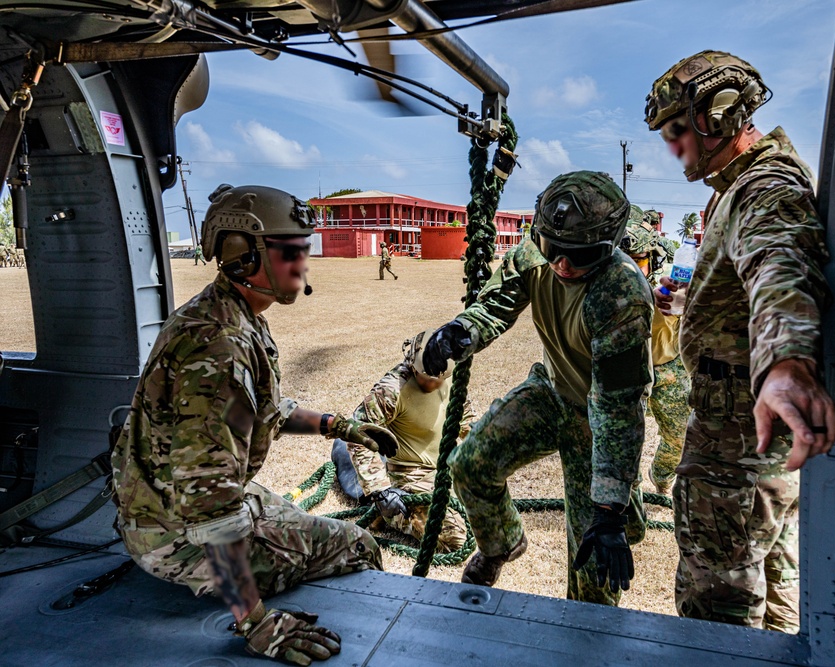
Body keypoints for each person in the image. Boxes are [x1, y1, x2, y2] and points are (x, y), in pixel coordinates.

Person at [111, 184, 400, 664]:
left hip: (167, 508)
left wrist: (339, 426)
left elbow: (263, 408)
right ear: (242, 256)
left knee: (306, 525)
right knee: (358, 546)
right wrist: (258, 625)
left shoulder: (230, 313)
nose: (304, 263)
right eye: (292, 251)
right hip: (178, 535)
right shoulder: (220, 346)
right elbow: (210, 503)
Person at [645, 51, 835, 632]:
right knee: (776, 597)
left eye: (677, 130)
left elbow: (780, 262)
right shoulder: (735, 186)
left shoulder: (765, 185)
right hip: (754, 439)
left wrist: (785, 361)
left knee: (719, 616)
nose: (672, 147)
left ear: (721, 115)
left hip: (738, 445)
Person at [422, 171, 653, 606]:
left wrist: (607, 509)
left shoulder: (622, 294)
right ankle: (501, 545)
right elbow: (495, 303)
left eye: (580, 256)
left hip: (597, 421)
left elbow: (618, 408)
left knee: (592, 565)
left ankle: (589, 632)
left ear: (609, 247)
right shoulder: (534, 253)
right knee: (471, 464)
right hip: (550, 393)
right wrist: (461, 332)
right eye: (553, 250)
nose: (563, 265)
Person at [335, 327, 474, 553]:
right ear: (413, 364)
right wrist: (381, 492)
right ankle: (393, 515)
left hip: (447, 467)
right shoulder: (392, 389)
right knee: (454, 538)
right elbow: (359, 434)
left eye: (441, 379)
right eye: (427, 378)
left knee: (489, 517)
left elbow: (465, 417)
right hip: (411, 477)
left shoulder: (450, 376)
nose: (435, 385)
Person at [619, 206, 690, 494]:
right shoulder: (610, 280)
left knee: (680, 437)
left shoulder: (670, 277)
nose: (632, 269)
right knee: (622, 442)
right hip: (627, 373)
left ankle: (661, 478)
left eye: (638, 261)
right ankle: (628, 494)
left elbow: (693, 297)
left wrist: (684, 300)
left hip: (667, 367)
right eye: (626, 261)